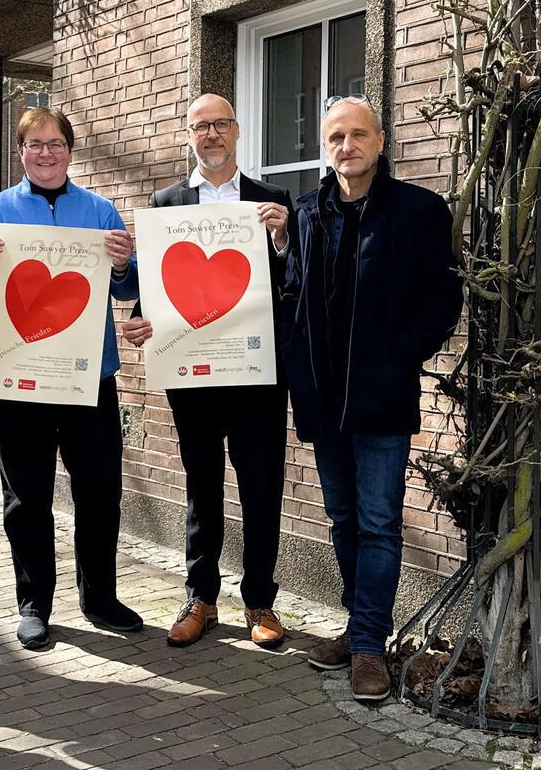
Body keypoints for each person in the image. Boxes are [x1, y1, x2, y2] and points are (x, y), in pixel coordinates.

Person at [283, 95, 462, 702]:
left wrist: (398, 355)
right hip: (322, 399)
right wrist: (295, 370)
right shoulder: (306, 213)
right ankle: (360, 627)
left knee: (380, 524)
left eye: (358, 135)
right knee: (343, 519)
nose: (346, 146)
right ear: (324, 146)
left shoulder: (418, 211)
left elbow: (443, 298)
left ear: (380, 141)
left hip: (381, 397)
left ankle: (367, 648)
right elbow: (293, 300)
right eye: (335, 136)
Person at [0, 107, 141, 650]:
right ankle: (34, 602)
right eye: (34, 144)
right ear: (21, 152)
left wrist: (123, 263)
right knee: (26, 495)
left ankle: (100, 597)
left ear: (69, 150)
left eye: (55, 143)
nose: (45, 153)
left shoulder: (100, 209)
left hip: (89, 378)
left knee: (100, 489)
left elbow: (125, 291)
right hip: (18, 379)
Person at [122, 92, 293, 649]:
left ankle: (260, 600)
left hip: (254, 372)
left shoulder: (272, 201)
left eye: (220, 124)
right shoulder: (166, 201)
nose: (212, 134)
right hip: (192, 373)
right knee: (201, 485)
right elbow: (156, 283)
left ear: (238, 131)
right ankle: (201, 596)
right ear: (188, 135)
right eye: (201, 126)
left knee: (261, 486)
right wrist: (141, 320)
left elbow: (292, 285)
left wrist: (284, 238)